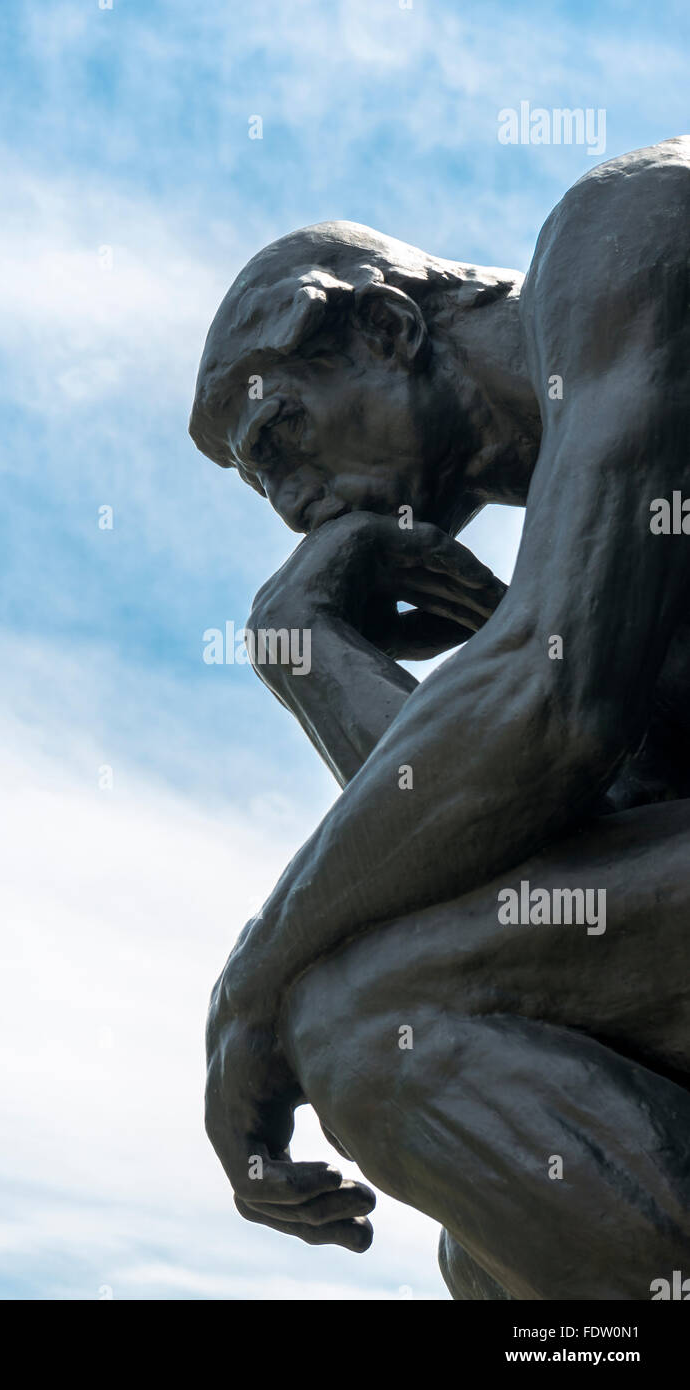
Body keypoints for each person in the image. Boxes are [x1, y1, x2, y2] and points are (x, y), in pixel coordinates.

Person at [188, 138, 690, 1298]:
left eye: (283, 442)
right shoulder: (590, 529)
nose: (296, 509)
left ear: (383, 329)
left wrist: (252, 990)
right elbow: (527, 838)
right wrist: (306, 650)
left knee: (373, 1026)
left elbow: (550, 708)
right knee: (495, 1232)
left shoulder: (625, 235)